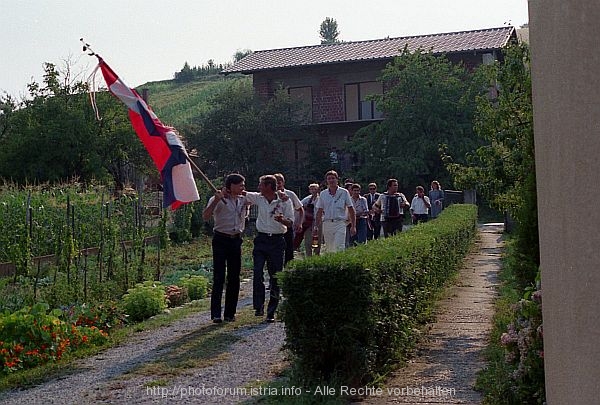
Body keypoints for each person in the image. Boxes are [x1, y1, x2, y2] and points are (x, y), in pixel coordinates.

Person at [244, 175, 294, 323]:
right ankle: (258, 306)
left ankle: (271, 311)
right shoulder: (259, 198)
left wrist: (282, 220)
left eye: (261, 185)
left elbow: (290, 223)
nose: (259, 187)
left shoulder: (285, 201)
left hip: (277, 241)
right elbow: (242, 193)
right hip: (261, 239)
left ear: (269, 186)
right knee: (258, 271)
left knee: (275, 276)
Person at [202, 173, 247, 323]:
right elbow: (206, 216)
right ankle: (216, 314)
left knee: (234, 277)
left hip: (236, 240)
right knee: (219, 277)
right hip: (221, 239)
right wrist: (216, 200)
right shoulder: (218, 200)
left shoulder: (243, 200)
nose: (242, 188)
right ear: (231, 186)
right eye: (240, 185)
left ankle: (230, 313)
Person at [315, 170, 356, 253]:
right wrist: (316, 226)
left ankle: (341, 265)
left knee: (339, 247)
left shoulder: (344, 192)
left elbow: (351, 209)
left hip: (340, 223)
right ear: (326, 181)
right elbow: (319, 211)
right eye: (329, 179)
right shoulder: (323, 194)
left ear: (337, 179)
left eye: (333, 178)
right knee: (330, 248)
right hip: (327, 223)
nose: (331, 180)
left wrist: (353, 226)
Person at [274, 173, 304, 265]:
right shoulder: (271, 195)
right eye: (275, 183)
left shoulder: (290, 194)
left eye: (279, 182)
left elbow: (300, 209)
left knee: (289, 249)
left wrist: (300, 223)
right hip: (274, 227)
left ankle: (288, 269)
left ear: (283, 182)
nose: (278, 185)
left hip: (288, 225)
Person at [294, 183, 322, 256]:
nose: (313, 191)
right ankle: (308, 256)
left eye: (315, 189)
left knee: (317, 240)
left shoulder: (321, 199)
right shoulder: (307, 199)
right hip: (308, 223)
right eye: (311, 189)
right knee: (308, 241)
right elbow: (300, 206)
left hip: (318, 222)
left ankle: (317, 255)